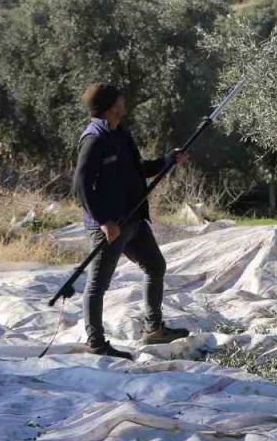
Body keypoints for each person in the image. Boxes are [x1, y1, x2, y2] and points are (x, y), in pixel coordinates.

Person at [73, 83, 190, 359]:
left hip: (133, 218)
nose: (123, 101)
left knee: (155, 266)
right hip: (110, 226)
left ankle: (153, 329)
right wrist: (103, 221)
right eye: (119, 99)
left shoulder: (121, 134)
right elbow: (80, 186)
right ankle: (96, 343)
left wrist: (167, 161)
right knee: (97, 285)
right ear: (110, 106)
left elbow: (139, 169)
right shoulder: (94, 139)